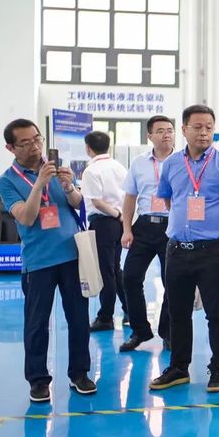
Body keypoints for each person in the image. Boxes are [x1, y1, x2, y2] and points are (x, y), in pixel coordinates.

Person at [0, 119, 96, 402]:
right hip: (38, 262)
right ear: (11, 147)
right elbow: (26, 217)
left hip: (72, 256)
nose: (35, 146)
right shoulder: (7, 181)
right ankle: (38, 380)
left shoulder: (56, 168)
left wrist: (68, 187)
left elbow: (77, 203)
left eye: (37, 139)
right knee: (37, 324)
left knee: (79, 319)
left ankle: (79, 373)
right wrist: (40, 182)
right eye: (26, 142)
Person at [149, 105, 219, 393]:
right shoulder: (172, 165)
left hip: (211, 252)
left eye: (209, 128)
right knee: (177, 312)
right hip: (177, 250)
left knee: (216, 312)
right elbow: (169, 200)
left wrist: (218, 228)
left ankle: (218, 369)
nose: (204, 133)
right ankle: (179, 368)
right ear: (184, 130)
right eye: (198, 127)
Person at [118, 115, 176, 352]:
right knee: (130, 277)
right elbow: (130, 198)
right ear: (149, 135)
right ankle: (140, 330)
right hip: (143, 226)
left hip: (172, 226)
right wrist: (127, 229)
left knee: (171, 281)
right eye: (160, 131)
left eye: (170, 130)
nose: (166, 134)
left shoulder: (183, 161)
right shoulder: (139, 163)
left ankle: (168, 332)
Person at [80, 131, 128, 331]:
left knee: (106, 271)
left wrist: (116, 215)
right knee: (114, 268)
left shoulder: (91, 171)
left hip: (104, 223)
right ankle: (129, 309)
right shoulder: (119, 167)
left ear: (88, 148)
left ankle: (105, 317)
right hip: (119, 223)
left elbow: (97, 202)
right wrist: (121, 216)